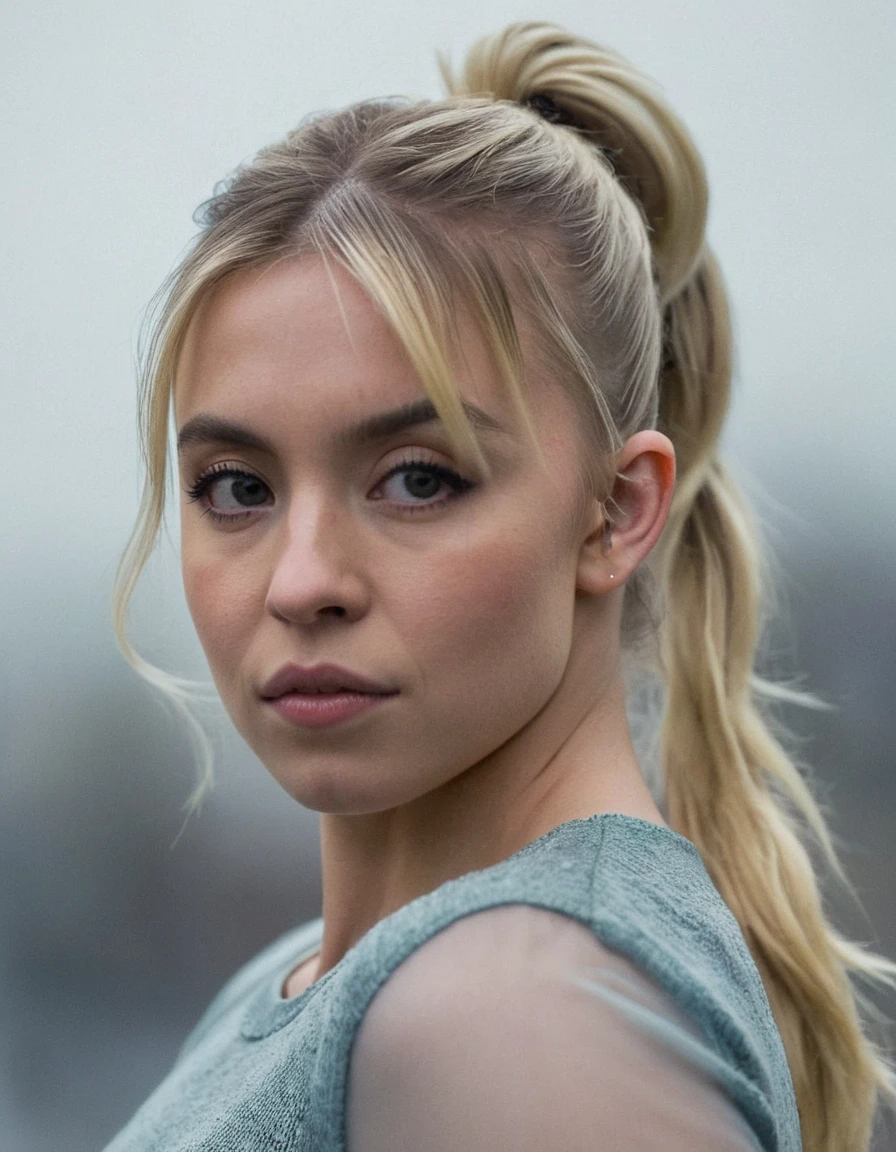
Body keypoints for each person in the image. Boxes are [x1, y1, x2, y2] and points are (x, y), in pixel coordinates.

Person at [103, 19, 896, 1152]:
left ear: (616, 511)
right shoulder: (310, 985)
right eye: (236, 488)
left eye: (417, 479)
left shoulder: (512, 1011)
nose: (303, 581)